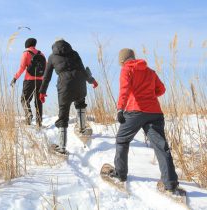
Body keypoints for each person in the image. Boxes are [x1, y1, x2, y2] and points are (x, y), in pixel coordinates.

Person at [106, 48, 180, 194]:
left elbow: (124, 90)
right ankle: (170, 184)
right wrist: (150, 96)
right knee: (161, 146)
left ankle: (120, 174)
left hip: (135, 111)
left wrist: (120, 109)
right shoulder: (150, 71)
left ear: (122, 61)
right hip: (154, 112)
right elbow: (162, 89)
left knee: (122, 139)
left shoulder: (127, 70)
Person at [39, 39, 98, 154]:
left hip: (64, 85)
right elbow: (82, 69)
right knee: (80, 102)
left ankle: (62, 147)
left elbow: (47, 77)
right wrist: (92, 81)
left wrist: (42, 92)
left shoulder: (52, 57)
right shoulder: (74, 53)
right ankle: (82, 128)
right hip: (80, 82)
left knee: (63, 113)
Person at [10, 38, 45, 127]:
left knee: (24, 99)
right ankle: (39, 122)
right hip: (40, 81)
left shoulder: (26, 53)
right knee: (38, 101)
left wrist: (15, 78)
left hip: (29, 80)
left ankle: (28, 114)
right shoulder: (41, 54)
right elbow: (46, 67)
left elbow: (22, 68)